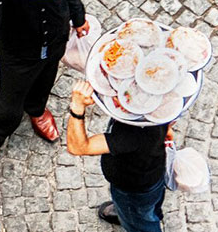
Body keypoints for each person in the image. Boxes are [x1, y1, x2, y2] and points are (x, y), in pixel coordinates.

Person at [0, 0, 90, 176]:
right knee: (10, 101)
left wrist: (78, 18)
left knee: (45, 82)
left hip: (55, 40)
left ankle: (36, 109)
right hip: (18, 51)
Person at [65, 80, 171, 232]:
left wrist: (77, 106)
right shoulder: (161, 106)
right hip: (154, 171)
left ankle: (131, 216)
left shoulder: (131, 134)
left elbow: (78, 147)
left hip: (133, 189)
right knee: (149, 207)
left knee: (141, 224)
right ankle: (139, 213)